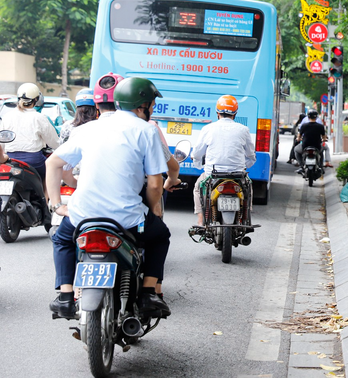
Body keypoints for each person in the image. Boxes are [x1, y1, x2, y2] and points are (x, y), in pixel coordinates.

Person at [45, 77, 171, 319]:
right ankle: (147, 293)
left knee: (62, 240)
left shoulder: (88, 128)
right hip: (128, 219)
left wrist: (58, 204)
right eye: (152, 104)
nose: (153, 109)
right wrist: (154, 208)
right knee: (160, 236)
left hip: (82, 215)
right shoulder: (146, 130)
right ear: (141, 105)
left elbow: (53, 162)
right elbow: (155, 184)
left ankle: (64, 296)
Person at [191, 95, 256, 226]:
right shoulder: (243, 130)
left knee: (198, 187)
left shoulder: (208, 129)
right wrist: (244, 166)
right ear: (235, 113)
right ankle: (245, 218)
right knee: (248, 187)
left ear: (217, 112)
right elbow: (251, 156)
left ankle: (200, 219)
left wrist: (198, 165)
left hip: (212, 174)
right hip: (238, 175)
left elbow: (197, 153)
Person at [2, 83, 60, 204]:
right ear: (36, 100)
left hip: (10, 160)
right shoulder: (39, 117)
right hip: (34, 160)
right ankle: (46, 203)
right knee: (51, 169)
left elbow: (2, 142)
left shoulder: (7, 117)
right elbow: (54, 143)